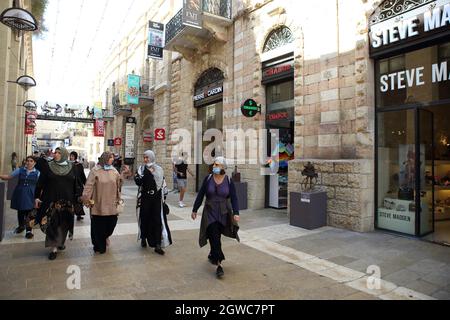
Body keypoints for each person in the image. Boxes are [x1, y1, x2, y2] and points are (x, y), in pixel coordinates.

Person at [191, 157, 240, 278]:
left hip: (223, 212)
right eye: (214, 165)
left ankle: (213, 254)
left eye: (217, 165)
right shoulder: (208, 179)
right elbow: (201, 194)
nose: (214, 167)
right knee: (213, 233)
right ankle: (219, 264)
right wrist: (195, 209)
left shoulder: (228, 180)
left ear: (223, 167)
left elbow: (234, 197)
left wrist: (236, 212)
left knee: (217, 235)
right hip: (210, 211)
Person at [34, 147, 82, 260]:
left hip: (67, 200)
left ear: (64, 154)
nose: (56, 154)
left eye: (59, 153)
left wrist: (79, 197)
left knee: (64, 223)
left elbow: (77, 183)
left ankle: (60, 241)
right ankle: (53, 247)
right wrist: (36, 197)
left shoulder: (73, 167)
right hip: (51, 200)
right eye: (55, 152)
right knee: (52, 223)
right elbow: (40, 183)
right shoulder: (48, 166)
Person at [82, 152, 129, 254]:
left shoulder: (113, 170)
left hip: (112, 204)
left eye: (112, 157)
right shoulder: (95, 171)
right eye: (110, 157)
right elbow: (88, 186)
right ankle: (99, 246)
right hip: (99, 204)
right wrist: (86, 199)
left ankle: (105, 236)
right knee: (98, 227)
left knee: (111, 225)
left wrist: (123, 174)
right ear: (105, 158)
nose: (112, 159)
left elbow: (119, 183)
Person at [134, 150, 172, 255]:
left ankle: (158, 245)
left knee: (157, 220)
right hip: (145, 197)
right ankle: (143, 238)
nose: (145, 159)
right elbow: (138, 182)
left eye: (147, 157)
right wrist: (144, 174)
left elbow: (163, 183)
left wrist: (164, 197)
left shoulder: (159, 169)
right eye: (144, 157)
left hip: (156, 198)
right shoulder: (141, 169)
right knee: (144, 218)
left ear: (152, 157)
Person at [0, 156, 40, 239]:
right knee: (20, 210)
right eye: (27, 161)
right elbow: (9, 177)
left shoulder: (38, 173)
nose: (28, 162)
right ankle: (21, 226)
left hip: (31, 194)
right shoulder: (20, 170)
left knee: (30, 212)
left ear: (34, 163)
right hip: (20, 193)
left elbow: (41, 185)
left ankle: (29, 231)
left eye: (31, 161)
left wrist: (39, 197)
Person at [70, 151, 87, 221]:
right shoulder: (68, 164)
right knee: (71, 200)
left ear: (75, 157)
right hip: (70, 185)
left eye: (73, 156)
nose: (71, 157)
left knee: (79, 200)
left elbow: (82, 175)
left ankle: (79, 214)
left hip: (78, 185)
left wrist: (85, 184)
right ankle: (70, 213)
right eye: (70, 156)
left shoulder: (79, 165)